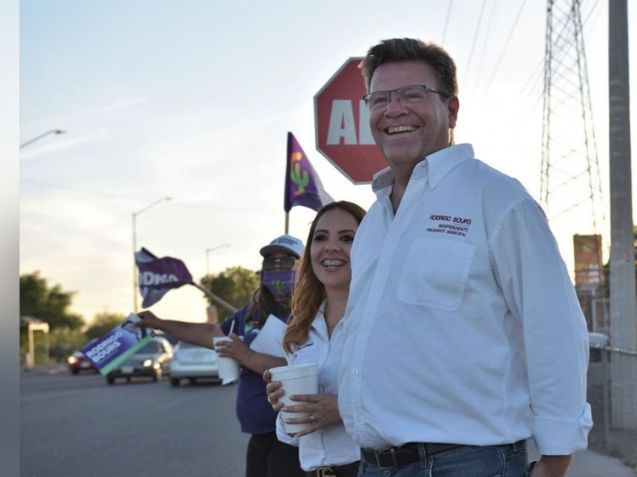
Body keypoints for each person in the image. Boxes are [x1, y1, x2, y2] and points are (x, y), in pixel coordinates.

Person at [335, 38, 593, 477]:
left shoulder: (498, 200)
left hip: (467, 463)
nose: (394, 109)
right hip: (374, 466)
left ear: (451, 110)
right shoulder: (375, 223)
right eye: (380, 99)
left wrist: (555, 459)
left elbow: (554, 327)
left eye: (413, 95)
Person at [138, 234, 306, 477]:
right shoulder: (253, 311)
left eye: (287, 262)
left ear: (303, 268)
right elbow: (212, 334)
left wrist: (245, 355)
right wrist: (160, 323)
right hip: (259, 436)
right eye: (270, 262)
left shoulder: (310, 313)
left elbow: (301, 370)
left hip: (292, 437)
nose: (277, 268)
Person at [264, 201, 366, 477]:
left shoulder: (384, 321)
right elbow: (292, 437)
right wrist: (284, 407)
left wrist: (345, 410)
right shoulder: (300, 329)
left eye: (347, 238)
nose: (331, 247)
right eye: (321, 238)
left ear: (371, 246)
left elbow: (410, 400)